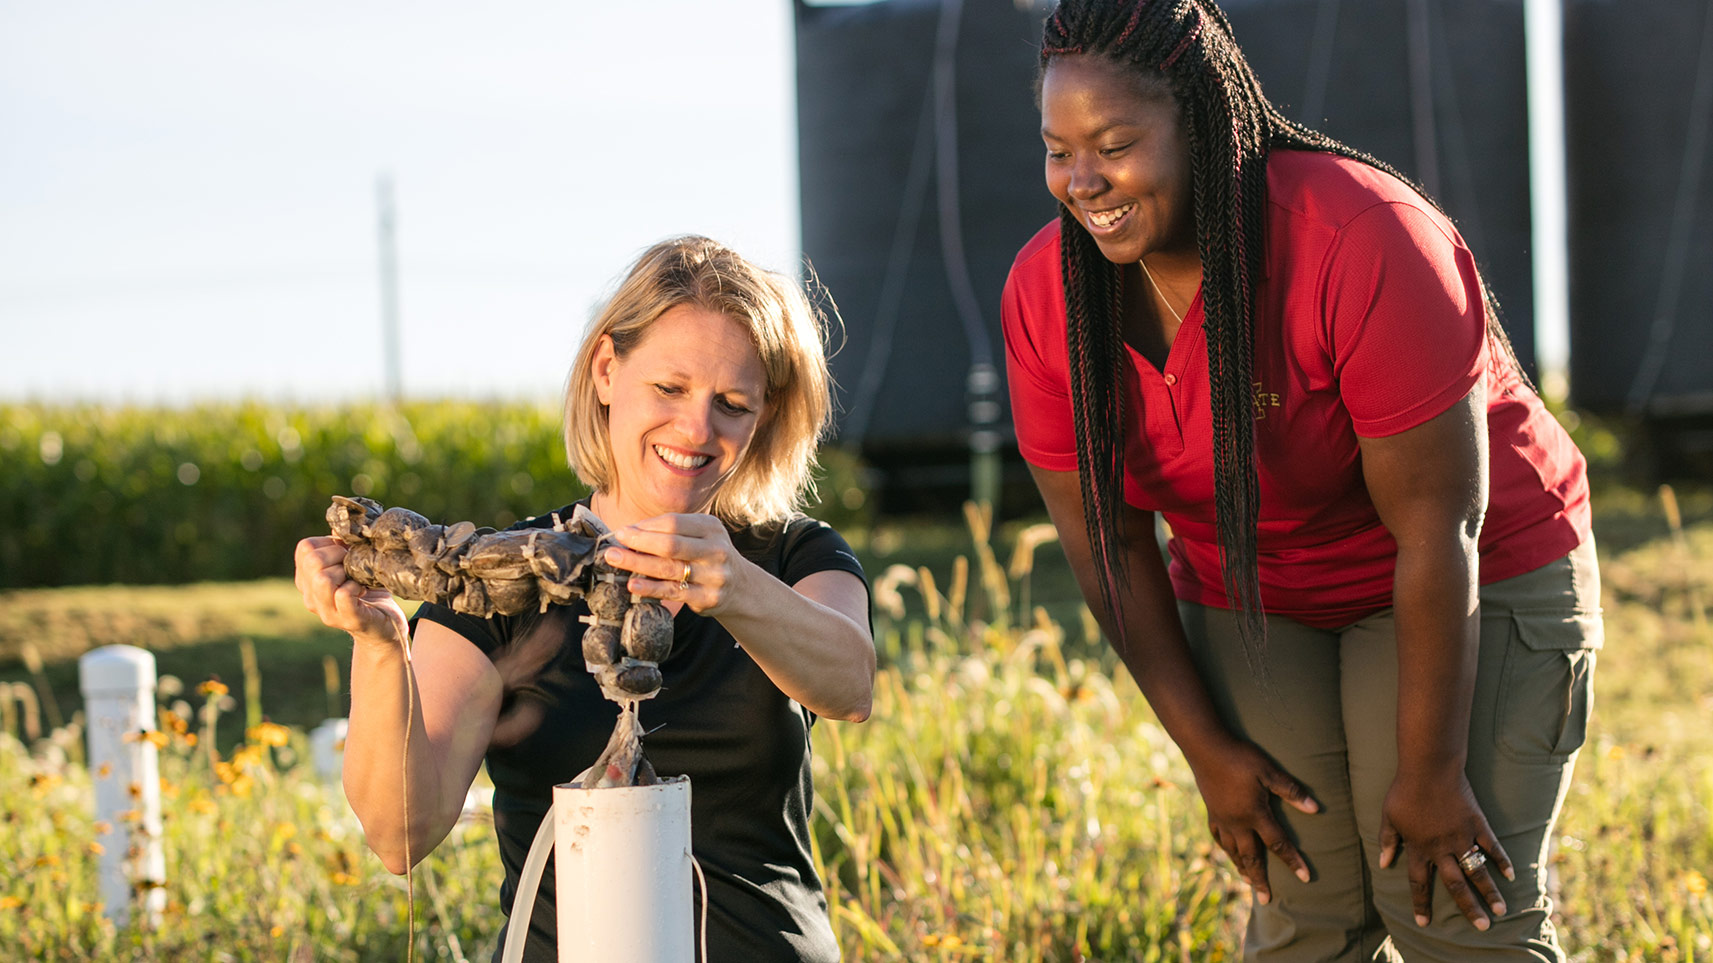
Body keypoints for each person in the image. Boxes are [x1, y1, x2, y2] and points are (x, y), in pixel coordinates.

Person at [1002, 1, 1599, 960]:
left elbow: (1438, 529)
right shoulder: (1047, 297)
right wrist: (1209, 754)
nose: (1082, 182)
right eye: (1057, 150)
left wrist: (1432, 771)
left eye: (1113, 144)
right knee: (1305, 914)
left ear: (1197, 122)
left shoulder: (1361, 234)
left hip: (1471, 572)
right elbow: (1106, 547)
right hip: (1261, 596)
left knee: (1452, 910)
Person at [295, 235, 875, 962]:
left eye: (731, 403)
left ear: (763, 416)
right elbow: (397, 833)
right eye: (669, 388)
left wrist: (735, 586)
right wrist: (381, 645)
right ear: (606, 369)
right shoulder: (503, 581)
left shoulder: (792, 555)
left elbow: (850, 684)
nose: (696, 429)